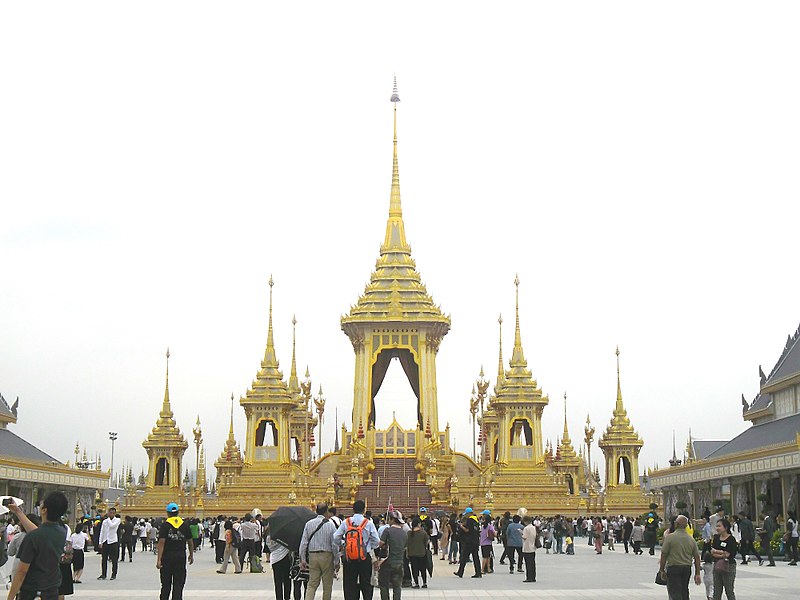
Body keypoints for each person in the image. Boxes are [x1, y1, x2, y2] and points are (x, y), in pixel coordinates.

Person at [6, 492, 68, 600]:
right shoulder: (62, 531)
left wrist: (10, 597)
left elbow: (21, 572)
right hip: (52, 590)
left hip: (32, 591)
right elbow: (40, 532)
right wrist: (18, 511)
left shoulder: (32, 538)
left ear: (44, 510)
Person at [334, 500, 380, 600]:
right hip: (364, 557)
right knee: (366, 583)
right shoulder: (368, 523)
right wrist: (368, 546)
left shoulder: (346, 522)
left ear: (353, 509)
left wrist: (343, 544)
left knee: (350, 584)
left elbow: (336, 537)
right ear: (364, 510)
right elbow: (376, 541)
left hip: (349, 557)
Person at [300, 503, 340, 600]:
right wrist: (337, 561)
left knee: (312, 584)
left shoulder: (309, 524)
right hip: (327, 556)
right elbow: (334, 545)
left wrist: (303, 559)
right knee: (327, 585)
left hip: (313, 555)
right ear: (326, 512)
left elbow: (303, 543)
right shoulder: (330, 525)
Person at [157, 502, 194, 600]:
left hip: (167, 558)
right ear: (178, 512)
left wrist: (159, 559)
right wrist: (191, 554)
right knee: (178, 584)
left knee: (166, 584)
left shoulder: (165, 525)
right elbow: (190, 541)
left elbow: (161, 542)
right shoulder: (185, 525)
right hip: (180, 557)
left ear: (167, 513)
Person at [658, 515, 701, 600]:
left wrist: (662, 570)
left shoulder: (670, 537)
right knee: (684, 590)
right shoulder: (691, 539)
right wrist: (697, 573)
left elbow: (663, 555)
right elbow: (697, 557)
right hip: (686, 568)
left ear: (676, 524)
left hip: (673, 568)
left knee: (674, 592)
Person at [377, 511, 407, 600]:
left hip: (387, 562)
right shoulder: (404, 533)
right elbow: (404, 546)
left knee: (384, 585)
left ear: (392, 520)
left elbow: (381, 544)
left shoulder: (387, 530)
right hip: (399, 562)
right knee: (397, 586)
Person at [711, 518, 738, 600]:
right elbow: (713, 553)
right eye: (716, 526)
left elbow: (729, 554)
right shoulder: (716, 538)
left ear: (725, 528)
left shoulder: (731, 539)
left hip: (729, 566)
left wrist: (718, 552)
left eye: (719, 526)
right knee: (716, 591)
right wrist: (722, 553)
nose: (717, 528)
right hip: (717, 566)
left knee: (729, 590)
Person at [453, 508, 480, 578]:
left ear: (469, 513)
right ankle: (478, 573)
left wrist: (461, 526)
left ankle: (460, 572)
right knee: (476, 558)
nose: (466, 516)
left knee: (464, 557)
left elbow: (467, 530)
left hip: (469, 542)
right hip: (475, 541)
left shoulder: (470, 520)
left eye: (466, 514)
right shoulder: (476, 520)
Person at [98, 507, 121, 580]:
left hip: (113, 541)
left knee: (114, 559)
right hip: (106, 541)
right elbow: (102, 532)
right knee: (104, 559)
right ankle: (103, 574)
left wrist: (108, 519)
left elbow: (112, 526)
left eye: (113, 513)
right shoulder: (104, 521)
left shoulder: (117, 520)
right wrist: (100, 542)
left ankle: (114, 574)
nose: (111, 514)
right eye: (110, 512)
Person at [405, 517, 428, 589]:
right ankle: (424, 583)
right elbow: (426, 543)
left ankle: (416, 583)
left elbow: (407, 544)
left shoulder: (409, 533)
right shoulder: (423, 533)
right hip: (422, 553)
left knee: (414, 569)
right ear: (418, 524)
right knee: (423, 569)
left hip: (412, 554)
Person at [520, 516, 536, 583]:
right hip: (532, 546)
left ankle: (529, 577)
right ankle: (533, 577)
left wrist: (520, 533)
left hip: (527, 547)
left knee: (528, 564)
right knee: (532, 563)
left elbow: (524, 537)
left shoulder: (526, 528)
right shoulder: (533, 527)